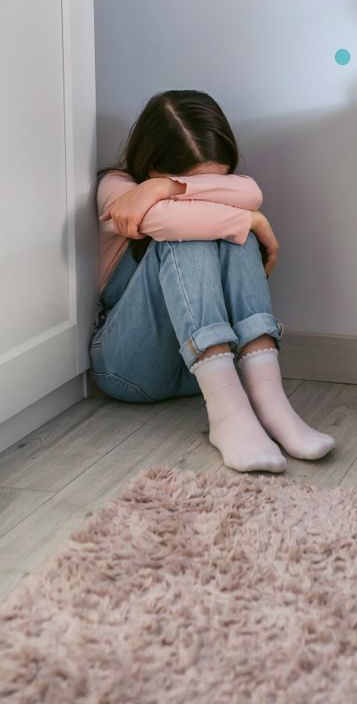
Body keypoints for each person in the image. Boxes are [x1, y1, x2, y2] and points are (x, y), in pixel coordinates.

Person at [90, 89, 335, 474]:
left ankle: (270, 402)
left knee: (232, 235)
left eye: (212, 182)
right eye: (176, 179)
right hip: (128, 367)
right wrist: (252, 221)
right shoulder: (116, 189)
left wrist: (167, 187)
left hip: (203, 372)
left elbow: (250, 191)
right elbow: (172, 222)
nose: (193, 190)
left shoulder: (160, 187)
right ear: (149, 165)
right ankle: (229, 417)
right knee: (195, 235)